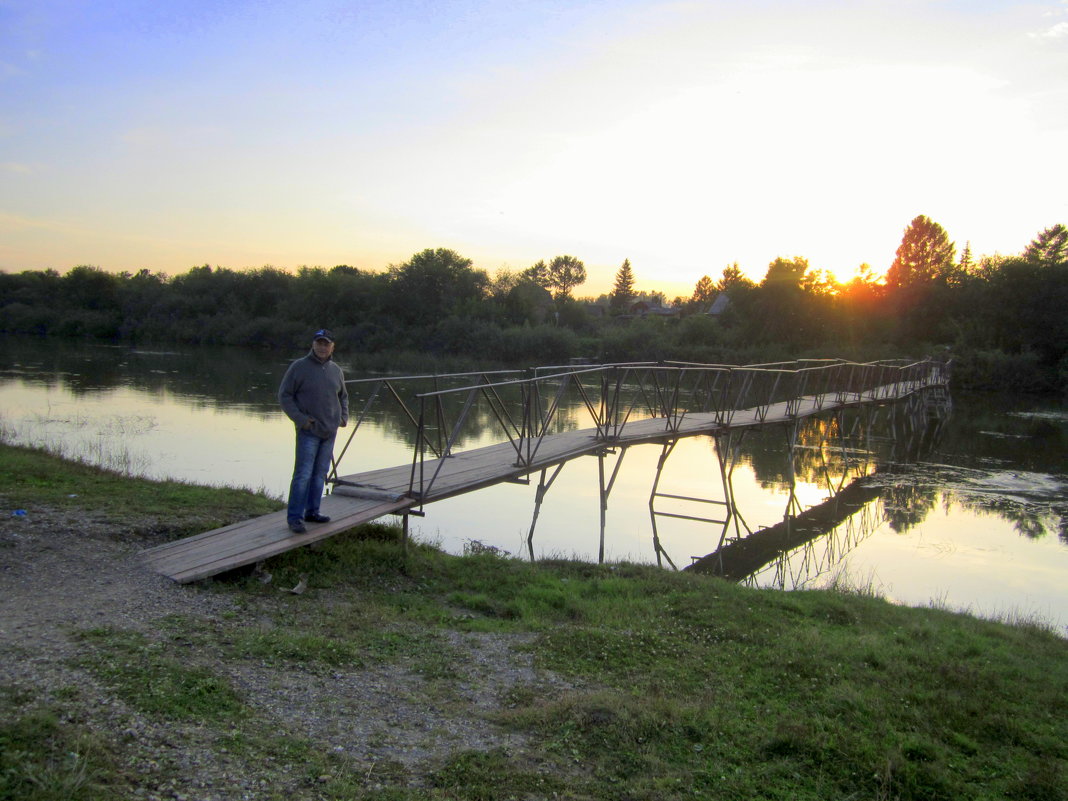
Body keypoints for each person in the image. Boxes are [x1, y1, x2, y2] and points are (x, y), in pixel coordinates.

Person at [278, 329, 349, 534]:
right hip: (309, 430)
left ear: (332, 347)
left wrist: (343, 417)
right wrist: (302, 420)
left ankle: (313, 512)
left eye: (326, 344)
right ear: (313, 344)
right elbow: (285, 396)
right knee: (303, 475)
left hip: (330, 431)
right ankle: (295, 518)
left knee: (320, 474)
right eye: (319, 343)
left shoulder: (336, 370)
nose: (322, 347)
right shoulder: (298, 367)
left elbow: (343, 396)